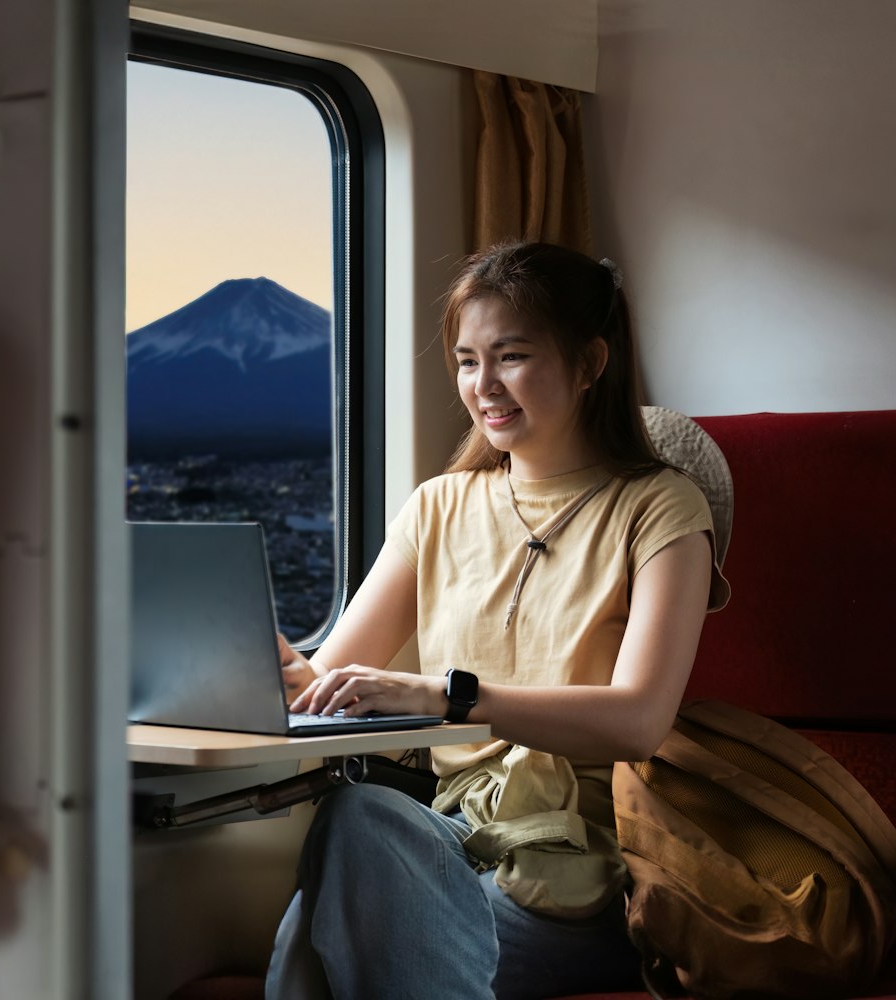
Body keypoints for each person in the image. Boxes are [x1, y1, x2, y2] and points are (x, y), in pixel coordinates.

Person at [265, 241, 730, 1000]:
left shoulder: (661, 507)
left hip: (583, 867)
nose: (484, 386)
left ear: (589, 362)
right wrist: (277, 671)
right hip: (456, 837)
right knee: (363, 818)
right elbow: (326, 687)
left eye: (510, 357)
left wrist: (446, 696)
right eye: (466, 360)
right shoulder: (438, 506)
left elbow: (639, 719)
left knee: (324, 936)